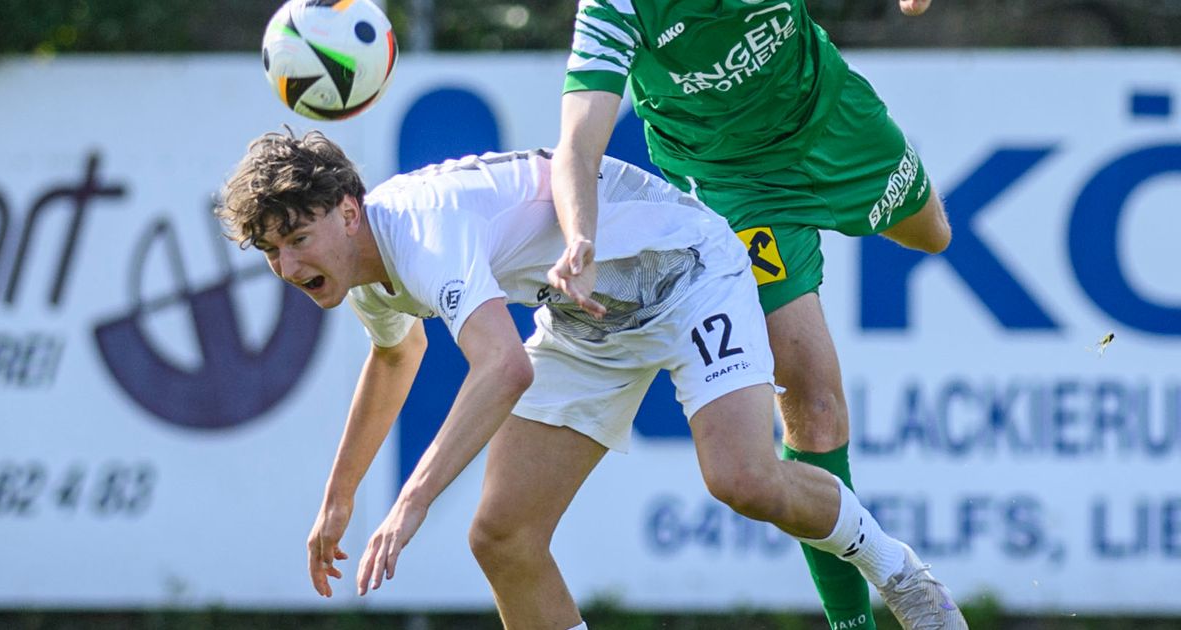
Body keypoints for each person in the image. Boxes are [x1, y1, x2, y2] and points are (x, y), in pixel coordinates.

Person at [216, 130, 963, 630]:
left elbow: (502, 366)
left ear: (348, 212)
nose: (286, 267)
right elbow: (395, 356)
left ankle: (899, 572)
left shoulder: (417, 230)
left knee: (744, 480)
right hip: (585, 313)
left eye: (296, 240)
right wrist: (341, 494)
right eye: (271, 251)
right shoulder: (364, 271)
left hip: (686, 268)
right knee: (503, 536)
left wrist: (410, 501)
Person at [548, 0, 956, 628]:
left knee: (934, 236)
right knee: (814, 409)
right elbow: (577, 140)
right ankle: (855, 623)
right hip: (735, 183)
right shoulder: (616, 7)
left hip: (831, 119)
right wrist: (580, 234)